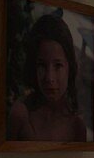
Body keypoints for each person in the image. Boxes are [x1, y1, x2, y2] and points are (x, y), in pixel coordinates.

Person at [7, 13, 88, 142]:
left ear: (69, 67)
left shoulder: (77, 125)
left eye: (58, 65)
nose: (49, 78)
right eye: (42, 66)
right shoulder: (20, 115)